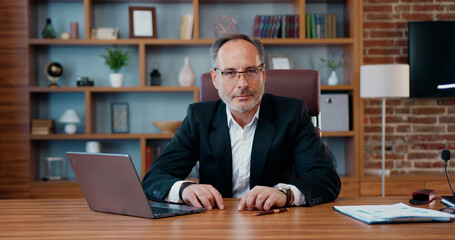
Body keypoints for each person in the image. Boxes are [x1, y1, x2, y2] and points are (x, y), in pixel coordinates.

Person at [142, 33, 341, 211]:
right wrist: (184, 190)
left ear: (263, 74)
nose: (242, 84)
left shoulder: (292, 114)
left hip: (274, 223)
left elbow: (326, 178)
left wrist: (286, 194)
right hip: (214, 223)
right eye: (229, 73)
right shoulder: (199, 117)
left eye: (251, 71)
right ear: (215, 78)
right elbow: (154, 178)